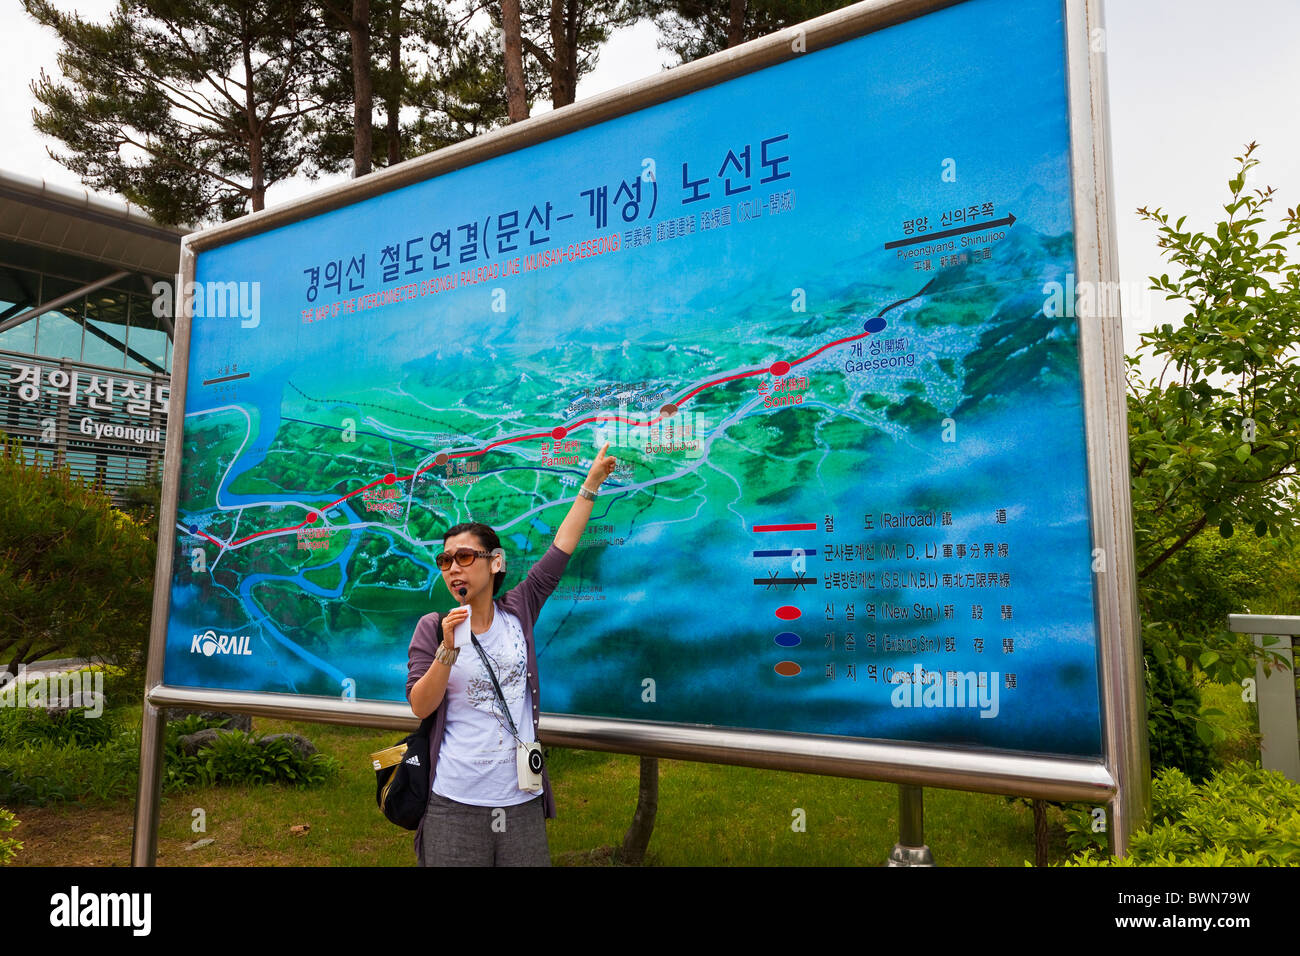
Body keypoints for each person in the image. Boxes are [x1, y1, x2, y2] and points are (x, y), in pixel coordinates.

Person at [405, 441, 618, 866]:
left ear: (495, 563)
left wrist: (591, 484)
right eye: (445, 560)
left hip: (520, 799)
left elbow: (561, 548)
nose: (453, 568)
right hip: (454, 801)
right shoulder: (433, 627)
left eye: (464, 557)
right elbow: (420, 706)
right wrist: (447, 651)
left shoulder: (519, 608)